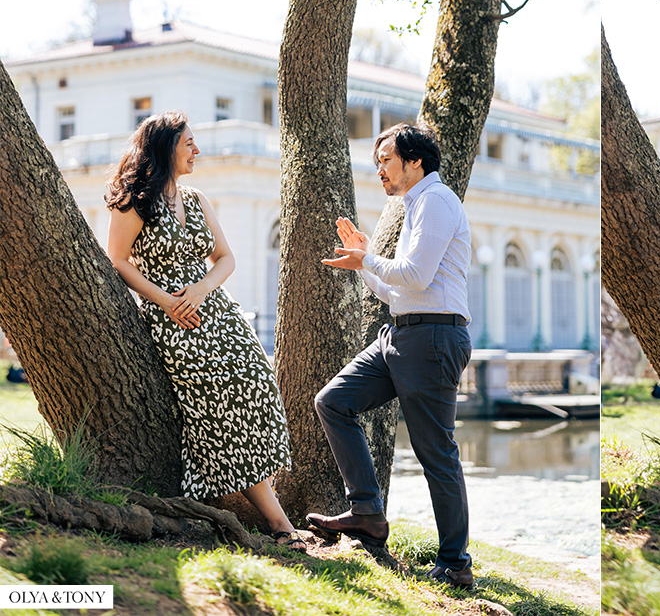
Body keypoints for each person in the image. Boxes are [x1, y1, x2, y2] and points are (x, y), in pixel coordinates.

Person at [105, 112, 304, 551]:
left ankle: (263, 496)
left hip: (216, 309)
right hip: (172, 316)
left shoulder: (196, 199)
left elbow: (226, 258)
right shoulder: (134, 200)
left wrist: (200, 289)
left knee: (257, 381)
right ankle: (278, 523)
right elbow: (118, 260)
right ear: (166, 148)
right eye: (189, 143)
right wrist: (167, 301)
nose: (197, 150)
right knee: (215, 399)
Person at [311, 122, 474, 588]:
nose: (379, 169)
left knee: (435, 452)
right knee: (333, 402)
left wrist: (367, 259)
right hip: (401, 333)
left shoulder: (436, 201)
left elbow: (416, 275)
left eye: (386, 160)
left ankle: (455, 564)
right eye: (377, 162)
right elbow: (397, 290)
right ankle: (367, 513)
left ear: (415, 161)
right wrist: (363, 261)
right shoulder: (415, 204)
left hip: (434, 338)